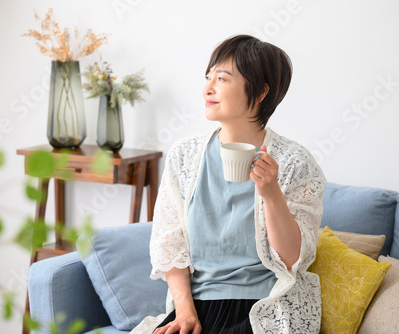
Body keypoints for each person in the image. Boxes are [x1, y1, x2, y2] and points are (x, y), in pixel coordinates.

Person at [130, 34, 326, 334]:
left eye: (222, 79)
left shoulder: (294, 162)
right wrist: (184, 313)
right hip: (197, 306)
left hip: (265, 305)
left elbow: (292, 259)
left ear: (260, 92)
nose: (207, 88)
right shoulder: (184, 156)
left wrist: (271, 194)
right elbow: (169, 243)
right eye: (208, 77)